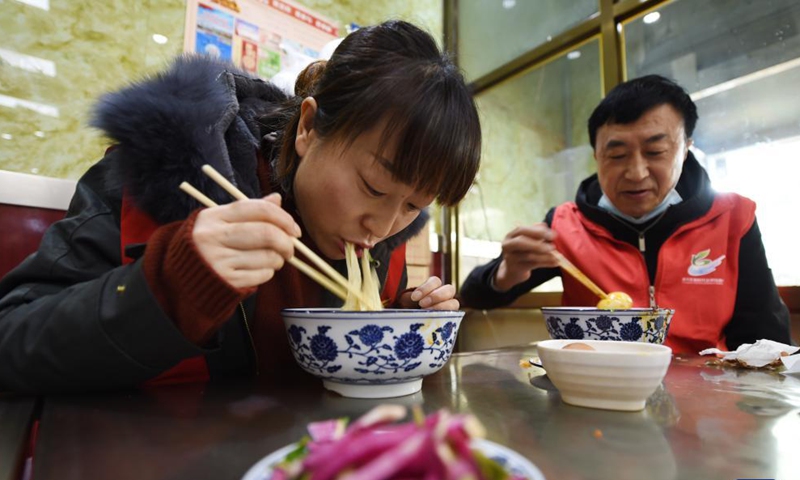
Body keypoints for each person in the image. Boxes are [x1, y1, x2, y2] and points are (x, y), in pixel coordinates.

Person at [0, 20, 481, 392]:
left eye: (414, 204)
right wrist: (170, 285)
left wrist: (395, 324)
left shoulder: (382, 245)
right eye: (373, 187)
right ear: (309, 129)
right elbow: (11, 341)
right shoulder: (160, 174)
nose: (381, 224)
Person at [460, 74, 790, 354]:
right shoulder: (566, 224)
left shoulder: (733, 218)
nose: (636, 172)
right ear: (596, 155)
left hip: (705, 406)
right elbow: (474, 294)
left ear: (686, 148)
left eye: (655, 152)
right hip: (596, 394)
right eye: (617, 155)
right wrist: (508, 271)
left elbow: (766, 338)